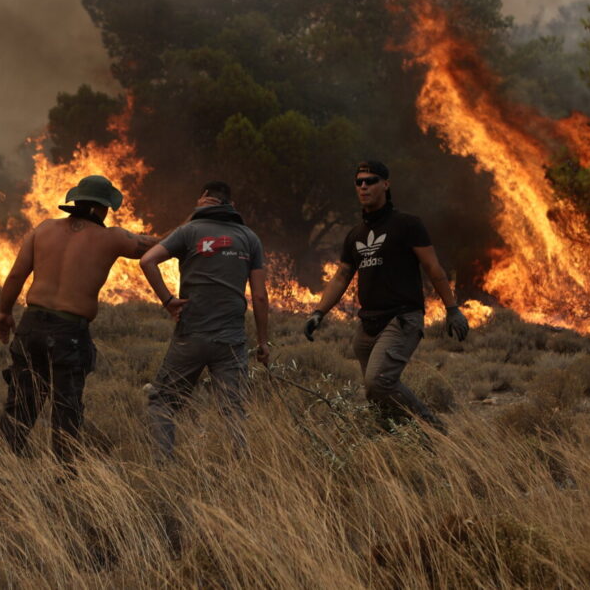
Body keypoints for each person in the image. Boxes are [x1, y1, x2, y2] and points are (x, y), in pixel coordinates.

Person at [0, 174, 156, 461]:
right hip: (68, 333)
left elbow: (17, 275)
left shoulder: (43, 229)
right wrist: (193, 230)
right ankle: (66, 478)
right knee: (66, 408)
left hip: (30, 327)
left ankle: (3, 468)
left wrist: (5, 312)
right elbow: (155, 246)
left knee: (21, 404)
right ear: (102, 208)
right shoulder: (112, 237)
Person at [303, 161, 469, 433]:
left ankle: (434, 430)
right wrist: (318, 312)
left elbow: (433, 268)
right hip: (367, 325)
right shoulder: (355, 234)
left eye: (371, 180)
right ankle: (395, 443)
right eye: (359, 182)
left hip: (402, 318)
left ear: (386, 185)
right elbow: (342, 276)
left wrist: (452, 309)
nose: (364, 186)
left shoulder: (407, 224)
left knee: (379, 382)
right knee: (376, 395)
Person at [139, 181, 269, 458]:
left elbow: (147, 260)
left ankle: (163, 467)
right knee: (233, 410)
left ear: (205, 199)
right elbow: (259, 297)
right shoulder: (249, 238)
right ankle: (242, 468)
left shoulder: (189, 231)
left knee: (162, 402)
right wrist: (263, 343)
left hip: (192, 336)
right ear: (231, 206)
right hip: (231, 340)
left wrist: (167, 301)